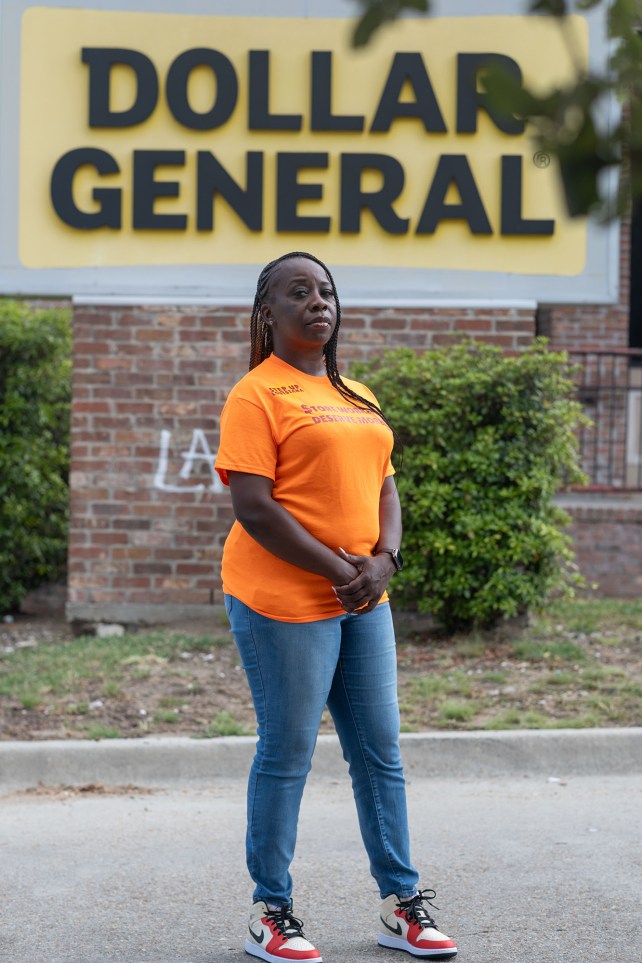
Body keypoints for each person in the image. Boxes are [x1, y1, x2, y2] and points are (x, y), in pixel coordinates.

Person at [214, 252, 457, 963]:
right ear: (269, 312)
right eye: (299, 291)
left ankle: (400, 903)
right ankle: (272, 909)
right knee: (287, 752)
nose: (318, 301)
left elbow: (385, 484)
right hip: (282, 598)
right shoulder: (256, 395)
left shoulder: (358, 392)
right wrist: (341, 570)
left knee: (380, 754)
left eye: (326, 291)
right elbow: (255, 508)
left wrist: (384, 561)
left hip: (362, 595)